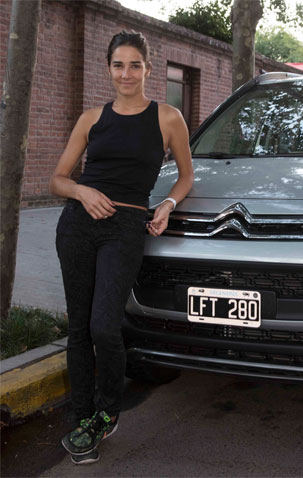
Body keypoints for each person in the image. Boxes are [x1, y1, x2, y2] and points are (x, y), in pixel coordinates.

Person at [49, 30, 194, 464]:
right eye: (118, 65)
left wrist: (167, 204)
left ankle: (107, 411)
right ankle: (83, 418)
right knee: (79, 328)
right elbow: (57, 179)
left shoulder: (167, 117)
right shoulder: (92, 118)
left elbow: (186, 176)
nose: (126, 73)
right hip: (77, 225)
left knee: (104, 326)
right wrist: (81, 191)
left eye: (134, 65)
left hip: (126, 227)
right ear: (108, 68)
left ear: (148, 69)